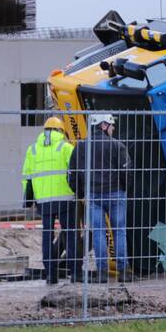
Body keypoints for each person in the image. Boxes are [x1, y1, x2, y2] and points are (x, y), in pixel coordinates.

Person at [68, 113, 133, 283]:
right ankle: (123, 271)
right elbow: (126, 171)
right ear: (103, 125)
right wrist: (124, 188)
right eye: (111, 125)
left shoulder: (81, 146)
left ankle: (102, 272)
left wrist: (80, 192)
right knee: (119, 231)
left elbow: (72, 174)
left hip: (93, 195)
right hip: (115, 193)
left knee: (98, 232)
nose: (113, 128)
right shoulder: (117, 145)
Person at [21, 116, 80, 285]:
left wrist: (28, 199)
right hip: (65, 200)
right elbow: (76, 172)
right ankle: (75, 273)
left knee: (47, 236)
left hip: (43, 201)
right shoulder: (66, 147)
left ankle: (50, 275)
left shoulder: (32, 150)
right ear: (61, 130)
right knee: (70, 235)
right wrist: (78, 191)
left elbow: (27, 177)